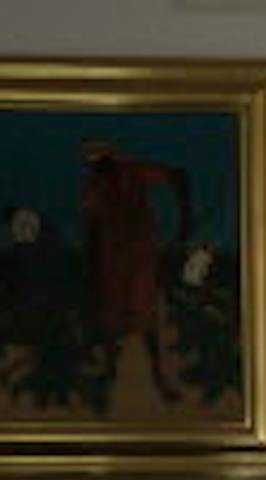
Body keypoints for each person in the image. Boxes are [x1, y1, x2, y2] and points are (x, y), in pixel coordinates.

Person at [79, 140, 193, 404]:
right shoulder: (94, 187)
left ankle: (158, 379)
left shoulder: (134, 171)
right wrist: (90, 266)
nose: (97, 166)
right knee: (112, 321)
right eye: (94, 163)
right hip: (112, 262)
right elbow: (91, 227)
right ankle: (110, 378)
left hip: (139, 258)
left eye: (101, 160)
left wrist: (187, 217)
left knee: (145, 319)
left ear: (112, 158)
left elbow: (178, 175)